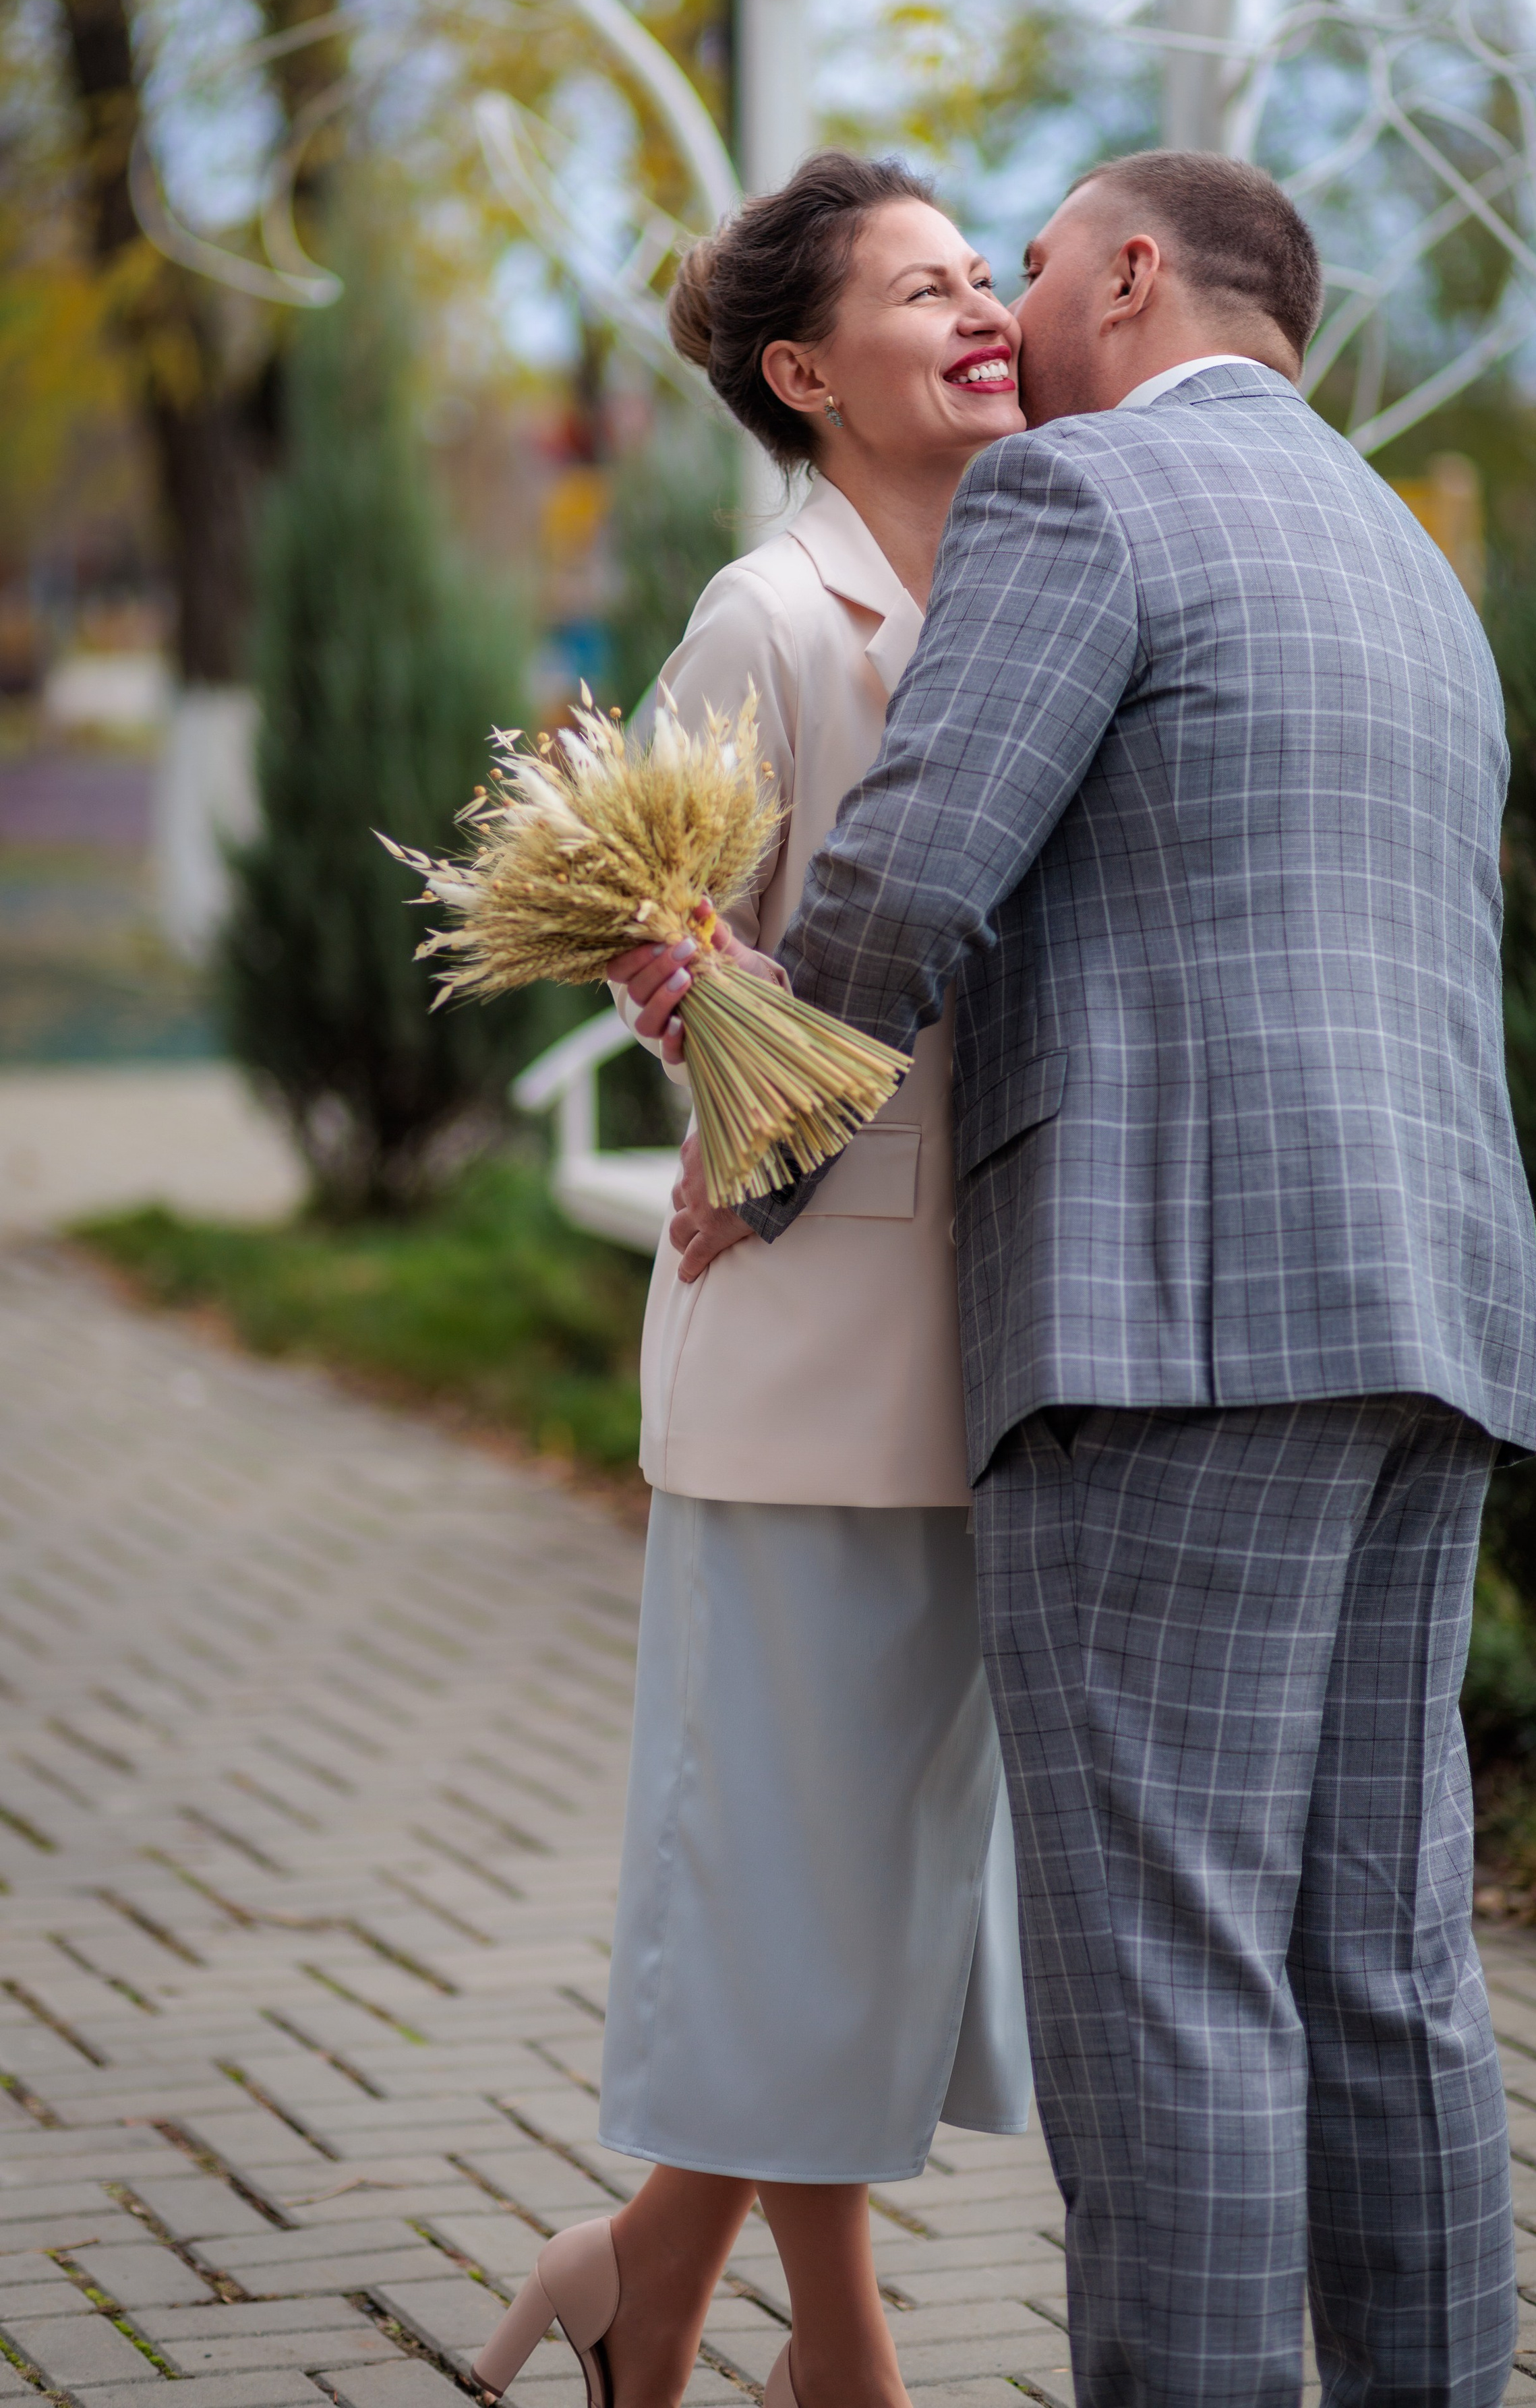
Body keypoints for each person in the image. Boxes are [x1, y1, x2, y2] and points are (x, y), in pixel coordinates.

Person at [624, 151, 1536, 2408]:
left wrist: (759, 1143)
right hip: (1437, 1321)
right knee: (1388, 1965)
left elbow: (908, 871)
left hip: (1177, 1328)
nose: (1002, 313)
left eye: (1023, 265)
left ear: (1130, 273)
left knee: (1173, 1982)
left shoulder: (1087, 504)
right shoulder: (1407, 559)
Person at [474, 152, 1033, 2408]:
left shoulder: (1014, 575)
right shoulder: (763, 616)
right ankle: (848, 2353)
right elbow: (665, 954)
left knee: (880, 1885)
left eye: (985, 273)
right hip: (807, 1348)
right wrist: (750, 1084)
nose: (984, 309)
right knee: (799, 1876)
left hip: (989, 1338)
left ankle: (644, 2286)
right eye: (928, 290)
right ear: (807, 373)